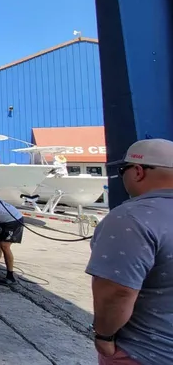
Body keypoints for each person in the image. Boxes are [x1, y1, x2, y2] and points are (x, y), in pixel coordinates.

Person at [85, 138, 173, 364]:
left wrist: (104, 335)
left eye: (122, 170)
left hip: (146, 350)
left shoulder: (132, 219)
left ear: (138, 171)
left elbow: (117, 291)